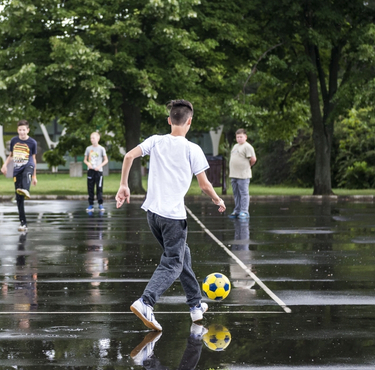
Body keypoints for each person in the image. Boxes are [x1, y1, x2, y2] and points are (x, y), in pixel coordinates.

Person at [116, 99, 226, 331]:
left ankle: (196, 305)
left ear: (169, 120)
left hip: (153, 215)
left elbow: (128, 156)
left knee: (181, 254)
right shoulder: (192, 149)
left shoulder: (155, 141)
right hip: (173, 218)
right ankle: (146, 302)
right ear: (189, 122)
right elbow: (204, 185)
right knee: (173, 263)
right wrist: (217, 199)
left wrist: (123, 185)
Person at [0, 120, 38, 232]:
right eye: (20, 130)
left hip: (28, 165)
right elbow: (11, 155)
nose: (22, 132)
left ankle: (26, 189)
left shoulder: (32, 142)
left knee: (27, 172)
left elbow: (34, 159)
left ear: (28, 130)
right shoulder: (14, 141)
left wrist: (34, 176)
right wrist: (5, 165)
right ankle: (23, 223)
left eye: (24, 130)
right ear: (18, 130)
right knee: (19, 199)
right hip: (17, 170)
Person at [228, 128, 256, 219]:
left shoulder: (247, 146)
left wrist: (248, 166)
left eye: (241, 137)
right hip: (234, 174)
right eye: (237, 137)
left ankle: (244, 211)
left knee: (244, 193)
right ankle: (237, 210)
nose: (239, 138)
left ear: (245, 137)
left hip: (243, 175)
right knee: (236, 194)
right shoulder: (235, 146)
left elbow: (253, 159)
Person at [84, 132, 109, 213]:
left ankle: (100, 204)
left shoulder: (101, 149)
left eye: (93, 138)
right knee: (90, 188)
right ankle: (90, 204)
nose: (92, 140)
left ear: (98, 139)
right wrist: (88, 164)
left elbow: (106, 160)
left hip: (98, 172)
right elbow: (85, 160)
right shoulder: (88, 149)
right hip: (91, 171)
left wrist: (99, 166)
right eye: (91, 138)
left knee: (99, 188)